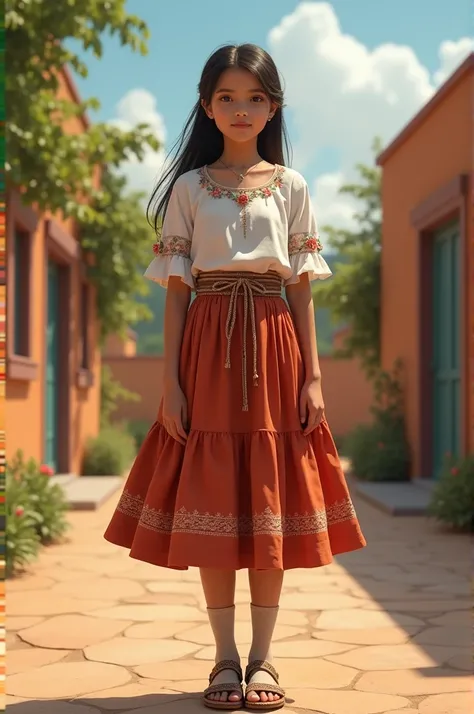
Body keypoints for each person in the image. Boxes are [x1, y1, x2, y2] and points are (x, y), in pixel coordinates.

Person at [104, 43, 366, 712]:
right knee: (217, 500)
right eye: (227, 96)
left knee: (270, 499)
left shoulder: (294, 185)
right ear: (206, 105)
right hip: (207, 347)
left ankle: (265, 658)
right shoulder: (190, 190)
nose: (241, 108)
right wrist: (171, 383)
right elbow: (174, 292)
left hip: (276, 346)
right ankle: (225, 659)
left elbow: (304, 289)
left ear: (273, 106)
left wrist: (312, 377)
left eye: (254, 97)